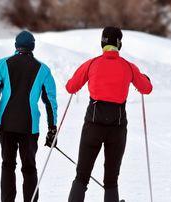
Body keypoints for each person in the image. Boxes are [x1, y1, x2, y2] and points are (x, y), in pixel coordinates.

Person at [65, 27, 153, 202]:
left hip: (93, 126)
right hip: (117, 128)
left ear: (102, 43)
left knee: (82, 175)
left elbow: (71, 87)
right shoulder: (128, 66)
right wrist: (145, 78)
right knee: (111, 181)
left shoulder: (92, 63)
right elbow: (146, 88)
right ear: (119, 44)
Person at [0, 30, 58, 202]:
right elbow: (50, 101)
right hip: (29, 126)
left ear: (16, 45)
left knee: (7, 165)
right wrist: (52, 128)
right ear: (32, 46)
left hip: (6, 124)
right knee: (29, 168)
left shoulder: (1, 65)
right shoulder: (43, 69)